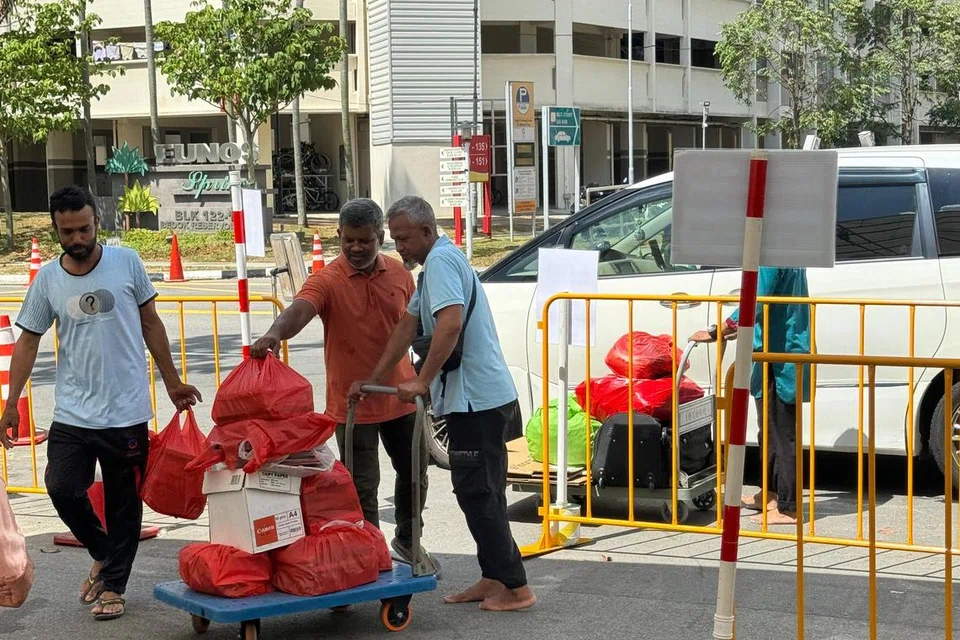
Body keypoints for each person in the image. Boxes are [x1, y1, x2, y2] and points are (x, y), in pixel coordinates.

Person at [0, 186, 201, 620]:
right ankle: (104, 551)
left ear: (96, 223)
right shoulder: (47, 280)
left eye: (84, 229)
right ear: (55, 230)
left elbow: (151, 324)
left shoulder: (127, 262)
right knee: (62, 487)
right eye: (67, 232)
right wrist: (11, 402)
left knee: (124, 504)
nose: (77, 239)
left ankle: (114, 585)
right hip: (73, 411)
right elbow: (28, 342)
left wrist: (172, 381)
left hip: (126, 411)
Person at [350, 196, 536, 612]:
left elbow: (449, 324)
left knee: (478, 493)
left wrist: (421, 381)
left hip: (477, 401)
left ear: (426, 231)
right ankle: (494, 576)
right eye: (395, 239)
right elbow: (407, 325)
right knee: (481, 492)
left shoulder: (440, 263)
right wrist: (375, 379)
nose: (399, 247)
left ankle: (516, 588)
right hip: (477, 399)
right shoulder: (435, 265)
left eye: (403, 239)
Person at [250, 198, 438, 573]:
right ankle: (370, 553)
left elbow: (417, 327)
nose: (355, 248)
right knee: (361, 487)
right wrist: (274, 333)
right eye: (348, 240)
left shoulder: (400, 275)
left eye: (364, 241)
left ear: (380, 236)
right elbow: (300, 309)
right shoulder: (328, 279)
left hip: (400, 398)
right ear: (338, 235)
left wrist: (426, 376)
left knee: (414, 475)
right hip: (352, 405)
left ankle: (408, 539)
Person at [691, 266, 810, 525]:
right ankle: (770, 495)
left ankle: (788, 507)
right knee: (767, 430)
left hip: (780, 352)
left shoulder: (770, 255)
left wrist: (720, 329)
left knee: (780, 432)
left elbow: (756, 298)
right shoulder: (786, 252)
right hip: (772, 348)